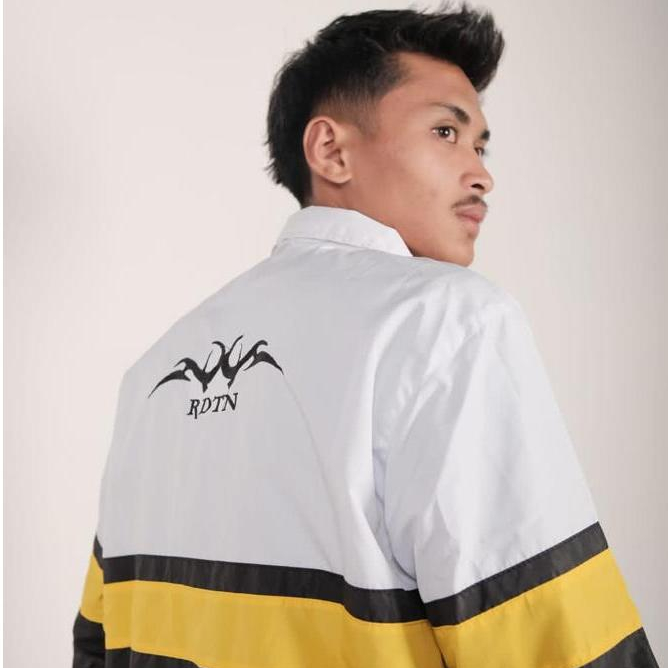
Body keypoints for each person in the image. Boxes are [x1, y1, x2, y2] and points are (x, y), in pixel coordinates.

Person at [72, 2, 660, 667]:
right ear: (331, 150)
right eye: (445, 131)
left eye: (479, 145)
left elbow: (97, 644)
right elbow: (555, 646)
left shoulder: (153, 373)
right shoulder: (449, 321)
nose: (481, 174)